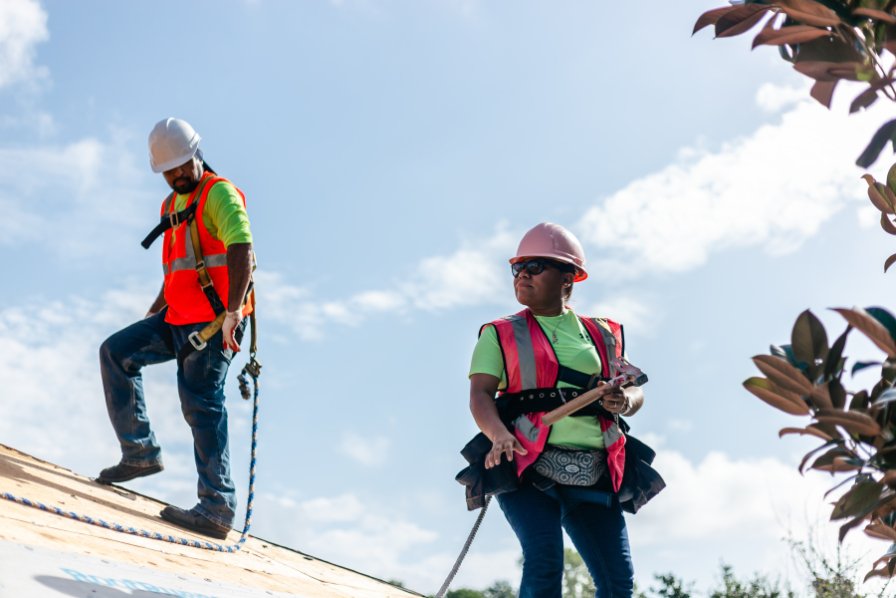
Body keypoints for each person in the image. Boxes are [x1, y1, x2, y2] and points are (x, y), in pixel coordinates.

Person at [466, 222, 647, 598]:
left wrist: (624, 401)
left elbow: (631, 388)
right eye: (518, 268)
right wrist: (498, 435)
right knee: (544, 561)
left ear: (569, 278)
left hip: (595, 466)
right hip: (525, 461)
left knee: (617, 582)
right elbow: (481, 395)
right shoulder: (497, 333)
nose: (522, 275)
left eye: (535, 267)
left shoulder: (602, 333)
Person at [97, 117, 254, 540]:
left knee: (200, 403)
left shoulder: (218, 194)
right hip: (175, 318)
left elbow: (242, 247)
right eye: (169, 170)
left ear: (197, 154)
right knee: (116, 352)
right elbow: (179, 270)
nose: (178, 174)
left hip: (213, 322)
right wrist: (153, 314)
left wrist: (235, 312)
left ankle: (217, 508)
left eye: (183, 164)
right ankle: (139, 451)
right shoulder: (172, 206)